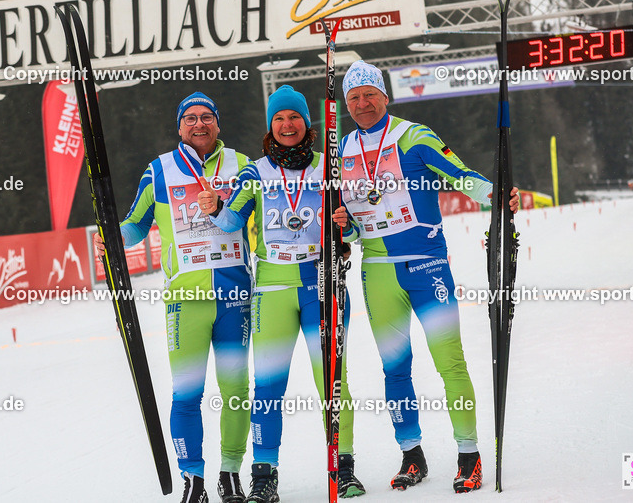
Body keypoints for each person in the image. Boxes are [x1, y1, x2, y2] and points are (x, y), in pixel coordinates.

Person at [331, 61, 519, 494]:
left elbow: (462, 176)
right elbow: (354, 226)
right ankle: (411, 455)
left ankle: (468, 456)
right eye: (353, 98)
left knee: (449, 361)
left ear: (385, 96)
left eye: (369, 95)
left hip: (426, 264)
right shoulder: (340, 153)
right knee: (395, 369)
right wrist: (345, 225)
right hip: (376, 271)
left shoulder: (414, 136)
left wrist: (497, 191)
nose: (362, 104)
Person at [199, 85, 365, 502]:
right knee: (268, 386)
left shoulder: (329, 168)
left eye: (293, 117)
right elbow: (230, 221)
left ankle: (342, 467)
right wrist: (214, 208)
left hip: (320, 284)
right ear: (270, 126)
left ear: (306, 123)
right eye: (279, 119)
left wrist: (346, 223)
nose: (287, 125)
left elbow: (357, 230)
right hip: (272, 288)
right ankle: (264, 476)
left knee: (332, 381)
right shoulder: (254, 173)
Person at [93, 92, 251, 503]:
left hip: (236, 296)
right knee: (186, 394)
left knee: (236, 389)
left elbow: (261, 217)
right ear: (179, 126)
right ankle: (194, 480)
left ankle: (231, 475)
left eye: (207, 118)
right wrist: (110, 237)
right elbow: (135, 225)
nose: (199, 125)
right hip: (187, 300)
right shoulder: (160, 170)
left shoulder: (242, 164)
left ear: (218, 124)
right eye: (190, 119)